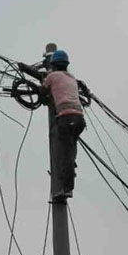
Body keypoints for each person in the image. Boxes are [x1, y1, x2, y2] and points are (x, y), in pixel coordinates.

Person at [42, 50, 86, 200]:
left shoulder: (52, 76)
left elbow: (44, 88)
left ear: (53, 65)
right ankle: (70, 169)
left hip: (66, 118)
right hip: (79, 119)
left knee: (64, 154)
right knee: (70, 148)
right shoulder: (72, 78)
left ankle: (66, 189)